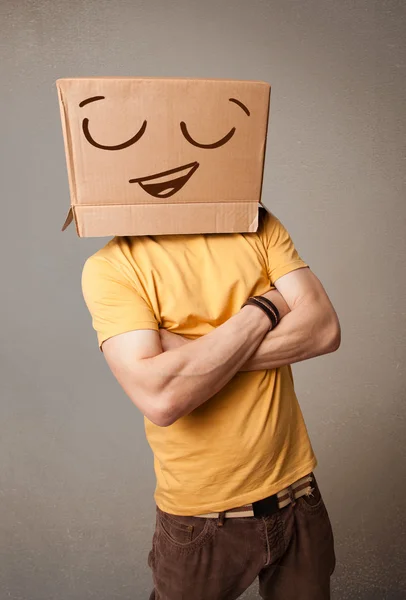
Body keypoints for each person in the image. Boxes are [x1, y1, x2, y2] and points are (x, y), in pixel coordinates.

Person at [81, 206, 340, 600]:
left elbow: (323, 330)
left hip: (298, 496)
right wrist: (265, 309)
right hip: (200, 522)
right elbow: (162, 399)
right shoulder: (112, 266)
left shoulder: (257, 223)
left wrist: (196, 358)